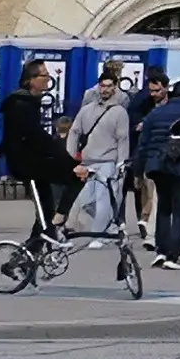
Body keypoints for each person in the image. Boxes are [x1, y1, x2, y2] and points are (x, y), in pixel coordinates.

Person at [2, 66, 78, 241]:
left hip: (33, 160)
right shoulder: (20, 103)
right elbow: (35, 136)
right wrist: (62, 155)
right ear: (31, 80)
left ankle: (32, 253)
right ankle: (59, 218)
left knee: (46, 211)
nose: (48, 79)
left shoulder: (29, 101)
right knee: (75, 174)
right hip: (27, 164)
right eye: (44, 75)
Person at [137, 75, 180, 271]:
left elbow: (143, 143)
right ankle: (173, 255)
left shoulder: (155, 114)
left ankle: (161, 251)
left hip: (157, 166)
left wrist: (139, 170)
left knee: (164, 209)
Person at [66, 69, 134, 240]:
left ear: (115, 88)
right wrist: (69, 156)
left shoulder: (119, 112)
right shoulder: (87, 109)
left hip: (108, 161)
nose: (104, 90)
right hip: (88, 160)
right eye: (102, 86)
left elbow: (123, 139)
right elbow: (74, 131)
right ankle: (108, 226)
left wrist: (121, 163)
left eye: (109, 86)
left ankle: (100, 236)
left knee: (103, 199)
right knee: (83, 200)